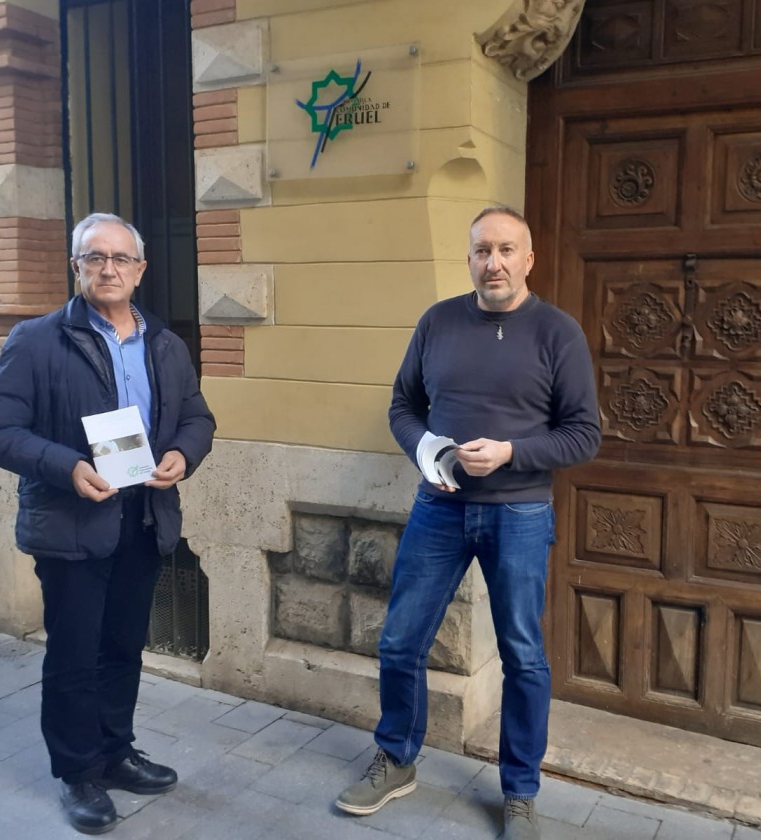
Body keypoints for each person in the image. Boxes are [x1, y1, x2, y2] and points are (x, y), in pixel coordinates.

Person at [335, 207, 601, 839]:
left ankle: (520, 792)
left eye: (508, 250)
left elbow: (584, 434)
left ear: (528, 259)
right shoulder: (438, 322)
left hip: (520, 511)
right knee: (400, 641)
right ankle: (397, 758)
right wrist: (426, 450)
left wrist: (512, 453)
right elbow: (403, 405)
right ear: (470, 258)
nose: (495, 262)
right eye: (483, 250)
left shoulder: (557, 333)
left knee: (523, 656)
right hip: (441, 508)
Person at [0, 213, 216, 835]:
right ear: (75, 267)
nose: (109, 269)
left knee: (123, 647)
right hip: (72, 523)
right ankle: (77, 772)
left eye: (121, 259)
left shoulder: (164, 342)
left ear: (140, 269)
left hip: (143, 518)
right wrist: (65, 465)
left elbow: (196, 417)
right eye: (94, 258)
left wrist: (183, 455)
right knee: (75, 654)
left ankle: (115, 752)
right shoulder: (37, 340)